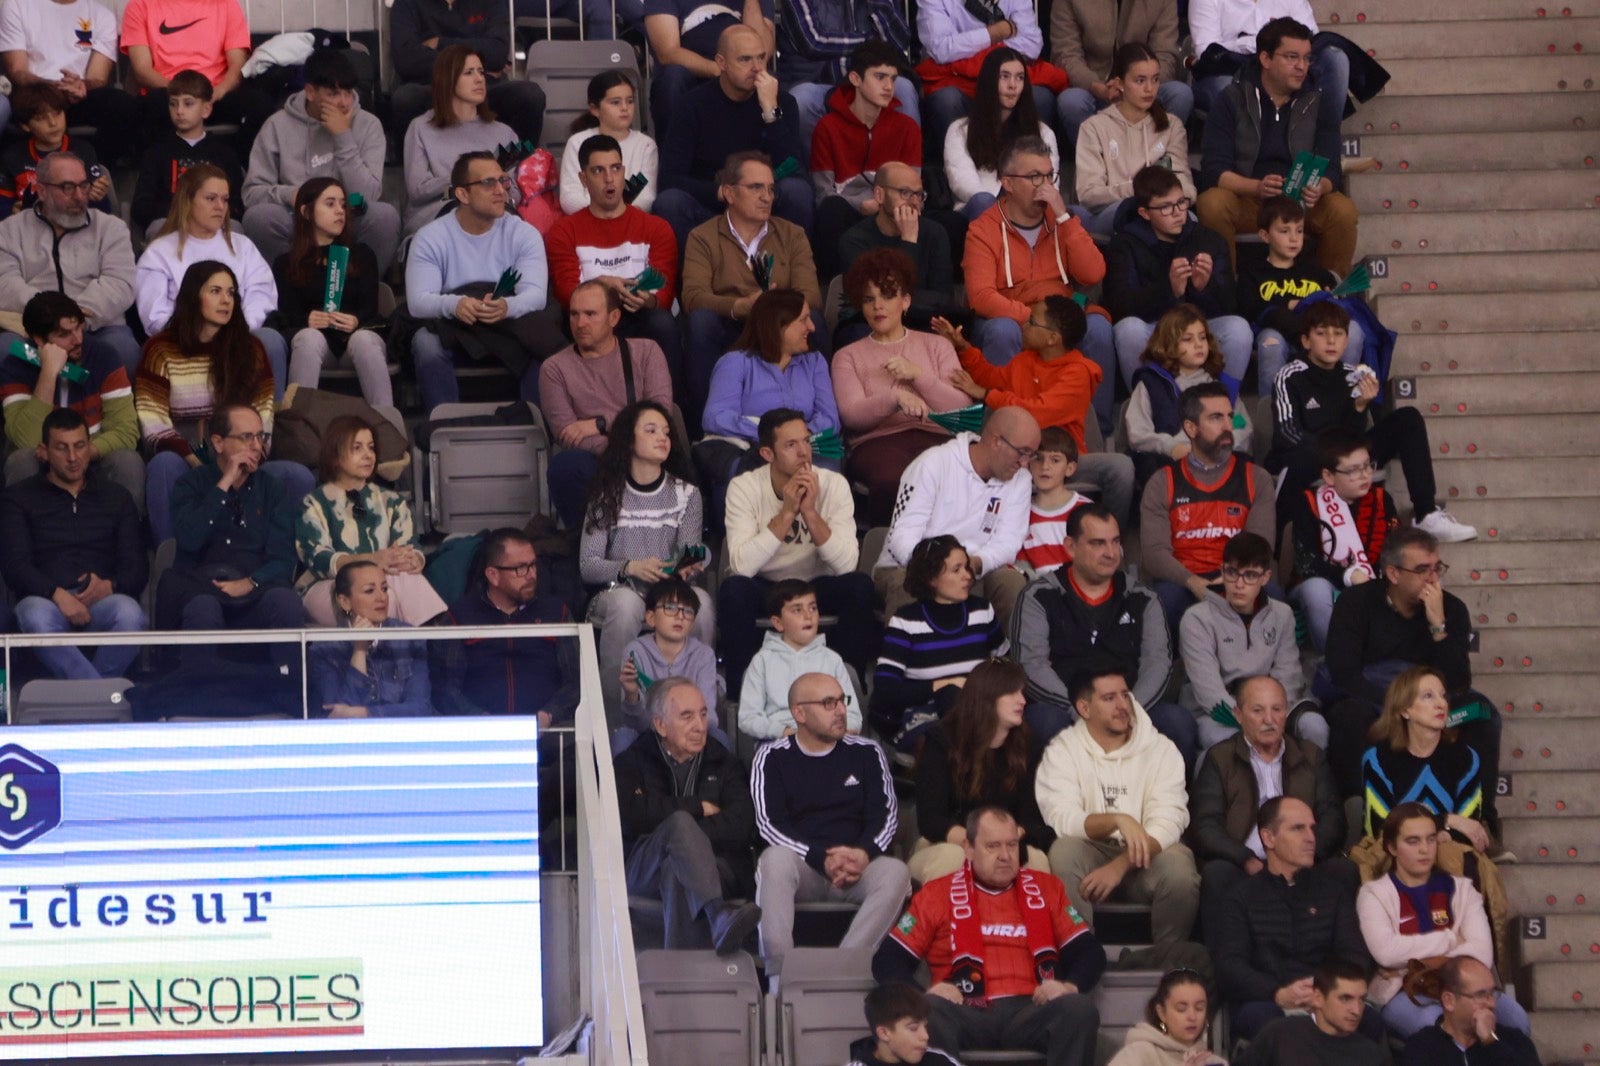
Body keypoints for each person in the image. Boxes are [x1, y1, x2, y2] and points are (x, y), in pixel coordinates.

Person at [873, 805, 1103, 1066]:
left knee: (1079, 1009)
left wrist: (1068, 986)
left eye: (1012, 845)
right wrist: (925, 993)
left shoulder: (1047, 888)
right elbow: (887, 960)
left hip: (1031, 1008)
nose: (1005, 855)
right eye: (993, 846)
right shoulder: (935, 894)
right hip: (964, 1009)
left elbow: (1089, 951)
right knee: (929, 1010)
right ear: (969, 849)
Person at [1323, 527, 1500, 814]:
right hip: (1376, 703)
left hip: (1432, 702)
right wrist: (1402, 706)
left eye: (1436, 568)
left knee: (1481, 712)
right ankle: (1360, 816)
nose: (1433, 578)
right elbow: (1343, 674)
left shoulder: (1452, 609)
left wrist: (1438, 627)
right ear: (1393, 574)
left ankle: (1481, 817)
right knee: (1348, 716)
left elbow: (1458, 682)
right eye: (1421, 570)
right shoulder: (1356, 603)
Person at [136, 260, 313, 544]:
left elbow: (264, 418)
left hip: (243, 459)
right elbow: (152, 420)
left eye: (231, 293)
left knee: (298, 476)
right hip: (186, 460)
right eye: (215, 291)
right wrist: (195, 460)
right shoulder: (160, 349)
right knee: (163, 465)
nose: (226, 300)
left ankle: (281, 563)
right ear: (194, 296)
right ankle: (170, 558)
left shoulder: (252, 349)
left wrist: (242, 462)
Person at [1269, 300, 1477, 541]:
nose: (1331, 341)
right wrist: (1336, 456)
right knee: (1299, 456)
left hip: (1348, 452)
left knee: (1408, 418)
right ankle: (1279, 541)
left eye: (1338, 334)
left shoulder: (1353, 375)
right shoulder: (1289, 376)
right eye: (1321, 333)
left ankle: (1426, 514)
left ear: (1347, 341)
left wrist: (1360, 406)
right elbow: (1287, 433)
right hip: (1309, 457)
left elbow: (1355, 435)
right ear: (1306, 341)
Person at [1035, 667, 1202, 967]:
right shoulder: (1062, 751)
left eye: (1125, 695)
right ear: (1084, 708)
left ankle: (1168, 964)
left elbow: (1169, 822)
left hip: (1148, 856)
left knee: (1179, 867)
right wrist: (1117, 820)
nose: (1123, 705)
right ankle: (1081, 957)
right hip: (1091, 852)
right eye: (1109, 698)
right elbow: (1062, 818)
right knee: (1063, 852)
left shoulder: (1162, 750)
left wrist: (1120, 865)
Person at [752, 671, 910, 973]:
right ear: (799, 713)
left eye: (841, 700)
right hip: (804, 869)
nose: (840, 710)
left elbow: (886, 816)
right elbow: (769, 825)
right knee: (774, 861)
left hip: (856, 867)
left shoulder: (867, 752)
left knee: (896, 872)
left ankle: (843, 971)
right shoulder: (771, 757)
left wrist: (863, 853)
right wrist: (820, 858)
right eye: (828, 703)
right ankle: (780, 979)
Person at [962, 136, 1115, 435]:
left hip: (1059, 312)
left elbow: (1093, 274)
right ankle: (1004, 431)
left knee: (1098, 328)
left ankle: (1095, 434)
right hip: (1010, 316)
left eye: (1049, 176)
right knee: (1002, 330)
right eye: (1034, 177)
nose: (1045, 186)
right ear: (1008, 183)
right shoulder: (983, 229)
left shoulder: (1062, 221)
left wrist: (1064, 217)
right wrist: (1033, 321)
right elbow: (981, 297)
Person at [935, 299, 1134, 525]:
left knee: (1121, 468)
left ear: (1052, 338)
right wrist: (963, 348)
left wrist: (987, 394)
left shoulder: (1079, 372)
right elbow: (992, 378)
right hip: (1018, 458)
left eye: (1031, 321)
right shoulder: (1025, 359)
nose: (1024, 325)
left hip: (1066, 461)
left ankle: (1108, 537)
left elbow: (1038, 413)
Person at [1011, 504, 1190, 755]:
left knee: (1177, 723)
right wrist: (1081, 711)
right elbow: (1031, 665)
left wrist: (1128, 710)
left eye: (1115, 542)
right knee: (1043, 721)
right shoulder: (1038, 596)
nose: (1111, 553)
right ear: (1071, 547)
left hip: (1130, 707)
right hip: (1065, 710)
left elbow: (1157, 663)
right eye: (1098, 543)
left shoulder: (1143, 598)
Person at [579, 400, 715, 730]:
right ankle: (615, 724)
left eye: (666, 432)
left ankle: (697, 714)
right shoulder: (606, 494)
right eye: (651, 431)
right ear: (629, 440)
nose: (662, 438)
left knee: (703, 604)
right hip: (619, 590)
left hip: (669, 590)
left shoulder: (686, 493)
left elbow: (693, 550)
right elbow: (588, 564)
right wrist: (629, 567)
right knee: (626, 605)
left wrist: (687, 563)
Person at [719, 407, 874, 693]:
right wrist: (787, 514)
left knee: (860, 586)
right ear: (768, 454)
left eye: (806, 441)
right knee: (733, 590)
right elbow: (741, 566)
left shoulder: (833, 485)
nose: (804, 452)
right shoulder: (744, 487)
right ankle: (741, 694)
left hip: (817, 584)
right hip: (766, 585)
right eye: (791, 445)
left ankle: (848, 689)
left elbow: (847, 565)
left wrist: (810, 513)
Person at [1189, 675, 1348, 950]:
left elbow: (1333, 817)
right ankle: (1225, 967)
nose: (1269, 720)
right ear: (1239, 715)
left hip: (1303, 862)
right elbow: (1205, 826)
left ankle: (1337, 969)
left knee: (1343, 870)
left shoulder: (1311, 756)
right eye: (1257, 710)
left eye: (1277, 709)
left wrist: (1305, 857)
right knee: (1217, 874)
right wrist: (1245, 859)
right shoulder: (1220, 758)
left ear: (1287, 712)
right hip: (1245, 864)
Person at [404, 150, 563, 415]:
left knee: (542, 338)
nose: (501, 190)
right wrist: (456, 305)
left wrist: (507, 307)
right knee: (425, 343)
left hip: (508, 323)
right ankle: (444, 425)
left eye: (503, 181)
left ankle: (533, 425)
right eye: (489, 183)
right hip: (455, 325)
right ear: (462, 194)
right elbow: (418, 302)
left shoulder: (524, 234)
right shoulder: (430, 237)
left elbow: (535, 296)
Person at [1196, 17, 1358, 277]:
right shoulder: (1232, 98)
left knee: (1342, 210)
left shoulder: (1318, 101)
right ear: (1265, 59)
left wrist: (1320, 187)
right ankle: (1225, 289)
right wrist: (1256, 187)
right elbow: (1214, 171)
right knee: (1212, 204)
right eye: (1292, 57)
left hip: (1300, 201)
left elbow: (1332, 171)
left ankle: (1329, 293)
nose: (1301, 66)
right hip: (1248, 198)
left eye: (1307, 58)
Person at [1213, 796, 1380, 1042]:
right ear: (1268, 838)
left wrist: (1325, 990)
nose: (1311, 837)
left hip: (1327, 996)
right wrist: (1278, 993)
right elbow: (1230, 967)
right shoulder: (1240, 897)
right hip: (1269, 1001)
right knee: (1271, 1024)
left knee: (1369, 1020)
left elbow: (1355, 955)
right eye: (1298, 828)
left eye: (1312, 828)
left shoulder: (1333, 892)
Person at [614, 676, 762, 953]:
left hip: (719, 866)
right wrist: (697, 808)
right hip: (644, 867)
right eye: (687, 716)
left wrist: (682, 842)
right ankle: (717, 913)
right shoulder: (632, 761)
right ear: (660, 725)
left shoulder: (725, 763)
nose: (700, 726)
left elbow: (740, 825)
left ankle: (681, 973)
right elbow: (631, 815)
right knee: (681, 823)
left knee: (677, 868)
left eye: (703, 714)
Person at [1358, 804, 1530, 1039]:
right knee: (1437, 1024)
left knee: (1516, 1018)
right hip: (1405, 993)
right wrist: (1450, 940)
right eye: (1413, 841)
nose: (1424, 849)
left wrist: (1415, 957)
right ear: (1392, 847)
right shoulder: (1374, 894)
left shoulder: (1462, 890)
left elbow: (1481, 954)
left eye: (1430, 839)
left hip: (1467, 989)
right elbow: (1386, 953)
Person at [679, 150, 822, 428]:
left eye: (771, 189)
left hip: (781, 325)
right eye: (756, 187)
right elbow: (693, 297)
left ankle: (818, 424)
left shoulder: (792, 234)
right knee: (700, 322)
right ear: (729, 193)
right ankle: (704, 428)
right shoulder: (702, 236)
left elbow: (811, 294)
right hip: (730, 324)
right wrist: (739, 306)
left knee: (814, 319)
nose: (767, 197)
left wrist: (774, 309)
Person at [0, 408, 146, 680]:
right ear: (43, 451)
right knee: (36, 617)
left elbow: (137, 567)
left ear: (90, 447)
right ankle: (97, 697)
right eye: (61, 448)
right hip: (45, 601)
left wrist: (109, 586)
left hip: (102, 601)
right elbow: (14, 566)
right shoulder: (19, 498)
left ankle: (84, 697)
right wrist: (56, 594)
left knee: (130, 615)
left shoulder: (116, 497)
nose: (72, 457)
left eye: (79, 446)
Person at [159, 403, 307, 660]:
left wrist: (250, 582)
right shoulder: (190, 484)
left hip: (254, 592)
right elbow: (189, 539)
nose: (257, 446)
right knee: (203, 608)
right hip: (200, 588)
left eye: (260, 436)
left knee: (286, 602)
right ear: (218, 443)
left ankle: (288, 682)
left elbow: (283, 558)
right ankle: (197, 685)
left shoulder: (272, 490)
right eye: (246, 437)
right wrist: (225, 483)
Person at [830, 248, 967, 525]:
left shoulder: (937, 345)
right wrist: (895, 397)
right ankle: (889, 549)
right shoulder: (847, 356)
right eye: (869, 299)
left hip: (937, 438)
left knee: (955, 475)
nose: (878, 306)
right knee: (893, 478)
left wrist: (918, 376)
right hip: (878, 443)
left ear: (906, 301)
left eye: (887, 296)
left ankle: (948, 547)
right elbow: (852, 415)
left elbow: (960, 409)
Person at [873, 406, 1038, 629]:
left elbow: (1008, 543)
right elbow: (901, 537)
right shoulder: (933, 463)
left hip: (974, 570)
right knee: (907, 585)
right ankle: (903, 651)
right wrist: (938, 571)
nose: (1025, 463)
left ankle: (1006, 653)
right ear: (997, 441)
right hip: (910, 566)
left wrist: (974, 564)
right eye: (1022, 452)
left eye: (1031, 455)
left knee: (1011, 583)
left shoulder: (1021, 480)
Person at [544, 135, 682, 399]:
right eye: (598, 171)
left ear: (624, 172)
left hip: (638, 314)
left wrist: (649, 300)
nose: (610, 179)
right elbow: (565, 291)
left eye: (615, 169)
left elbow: (664, 292)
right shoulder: (564, 231)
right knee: (569, 321)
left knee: (662, 323)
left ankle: (671, 410)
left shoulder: (656, 228)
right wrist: (603, 286)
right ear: (583, 179)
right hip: (589, 315)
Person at [134, 165, 288, 397]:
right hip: (183, 340)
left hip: (238, 337)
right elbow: (154, 315)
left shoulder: (243, 246)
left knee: (271, 340)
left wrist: (233, 331)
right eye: (211, 198)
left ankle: (274, 417)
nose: (220, 207)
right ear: (188, 201)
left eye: (225, 200)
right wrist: (200, 334)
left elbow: (262, 295)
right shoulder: (159, 251)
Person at [655, 25, 810, 251]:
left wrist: (770, 111)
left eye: (761, 58)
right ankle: (692, 273)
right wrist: (723, 192)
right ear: (721, 63)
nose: (757, 68)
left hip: (765, 202)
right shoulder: (691, 105)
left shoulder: (782, 102)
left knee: (797, 191)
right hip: (713, 205)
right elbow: (670, 178)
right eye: (745, 59)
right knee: (670, 202)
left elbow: (793, 167)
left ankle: (790, 270)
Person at [241, 50, 398, 273]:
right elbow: (251, 194)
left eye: (348, 92)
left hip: (347, 214)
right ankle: (290, 286)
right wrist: (291, 194)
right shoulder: (276, 125)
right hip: (297, 216)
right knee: (259, 218)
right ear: (310, 92)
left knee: (385, 216)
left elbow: (369, 194)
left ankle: (360, 287)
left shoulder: (368, 125)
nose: (344, 102)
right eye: (334, 94)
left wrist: (343, 137)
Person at [1138, 382, 1276, 632]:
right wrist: (1193, 582)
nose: (1227, 426)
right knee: (1163, 601)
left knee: (1273, 596)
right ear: (1191, 428)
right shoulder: (1162, 482)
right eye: (1216, 418)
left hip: (1239, 575)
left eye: (1229, 417)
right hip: (1182, 580)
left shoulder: (1257, 478)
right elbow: (1154, 554)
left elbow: (1260, 544)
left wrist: (1232, 580)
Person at [538, 280, 674, 530]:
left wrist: (600, 423)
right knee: (566, 466)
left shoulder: (646, 351)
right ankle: (587, 545)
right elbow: (568, 434)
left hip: (648, 454)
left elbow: (660, 413)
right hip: (598, 460)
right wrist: (620, 453)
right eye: (574, 314)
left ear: (614, 318)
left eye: (590, 314)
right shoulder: (554, 368)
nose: (580, 323)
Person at [697, 288, 840, 520]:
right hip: (752, 448)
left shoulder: (814, 362)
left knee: (827, 472)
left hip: (807, 445)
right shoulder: (736, 362)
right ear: (778, 325)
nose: (812, 327)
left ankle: (812, 538)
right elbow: (715, 416)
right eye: (803, 319)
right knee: (743, 479)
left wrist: (796, 438)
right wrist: (771, 435)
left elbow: (830, 419)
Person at [1106, 166, 1251, 389]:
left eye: (1181, 202)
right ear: (1144, 213)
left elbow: (1231, 305)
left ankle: (1223, 401)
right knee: (1128, 330)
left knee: (1238, 328)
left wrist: (1203, 288)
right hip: (1153, 326)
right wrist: (1169, 289)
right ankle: (1147, 400)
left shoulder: (1209, 240)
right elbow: (1120, 306)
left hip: (1197, 328)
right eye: (1165, 207)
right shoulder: (1124, 244)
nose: (1177, 213)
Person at [911, 658, 1054, 884]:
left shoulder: (1029, 745)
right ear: (987, 697)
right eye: (1012, 693)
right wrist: (980, 845)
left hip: (1008, 843)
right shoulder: (942, 741)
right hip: (946, 842)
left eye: (1022, 692)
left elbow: (1031, 820)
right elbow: (931, 820)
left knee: (1035, 860)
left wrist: (1002, 844)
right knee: (951, 858)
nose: (1022, 700)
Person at [296, 415, 445, 628]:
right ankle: (431, 635)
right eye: (357, 448)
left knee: (399, 579)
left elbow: (409, 546)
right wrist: (372, 559)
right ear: (335, 455)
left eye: (371, 447)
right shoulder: (314, 503)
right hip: (329, 585)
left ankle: (427, 636)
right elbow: (318, 559)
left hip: (383, 582)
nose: (368, 455)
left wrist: (414, 560)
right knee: (378, 591)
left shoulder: (392, 501)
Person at [1179, 532, 1323, 752]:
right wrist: (1253, 721)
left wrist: (1270, 716)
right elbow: (1209, 691)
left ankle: (1304, 775)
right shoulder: (1196, 618)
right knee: (1227, 743)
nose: (1239, 584)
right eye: (1232, 572)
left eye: (1250, 575)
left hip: (1273, 707)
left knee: (1315, 727)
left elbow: (1289, 676)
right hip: (1220, 713)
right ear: (1222, 570)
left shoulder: (1282, 614)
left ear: (1265, 577)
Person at [0, 151, 140, 375]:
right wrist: (49, 317)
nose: (79, 196)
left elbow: (120, 283)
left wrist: (73, 321)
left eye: (83, 186)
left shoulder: (111, 228)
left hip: (95, 327)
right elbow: (5, 283)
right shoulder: (10, 230)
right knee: (5, 348)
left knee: (124, 349)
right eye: (67, 187)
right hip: (33, 331)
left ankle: (88, 391)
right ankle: (42, 397)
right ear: (42, 191)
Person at [0, 291, 141, 501]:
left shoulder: (104, 356)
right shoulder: (16, 366)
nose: (78, 340)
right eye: (64, 334)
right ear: (39, 340)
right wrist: (48, 373)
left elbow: (126, 432)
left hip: (93, 457)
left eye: (79, 328)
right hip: (43, 463)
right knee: (22, 460)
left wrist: (81, 454)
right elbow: (26, 441)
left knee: (127, 461)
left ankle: (127, 523)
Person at [871, 535, 1007, 749]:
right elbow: (885, 691)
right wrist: (943, 685)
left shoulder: (982, 610)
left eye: (966, 567)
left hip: (979, 712)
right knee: (950, 706)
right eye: (956, 570)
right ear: (931, 579)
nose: (967, 576)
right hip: (922, 717)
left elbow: (1004, 666)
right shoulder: (906, 620)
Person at [432, 528, 579, 720]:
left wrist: (550, 714)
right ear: (493, 575)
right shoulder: (460, 617)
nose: (531, 575)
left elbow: (577, 681)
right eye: (520, 568)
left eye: (533, 565)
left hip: (552, 732)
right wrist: (480, 719)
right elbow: (445, 688)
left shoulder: (556, 613)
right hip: (478, 732)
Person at [808, 40, 922, 282]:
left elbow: (913, 189)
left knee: (948, 224)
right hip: (848, 214)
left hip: (893, 212)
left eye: (893, 79)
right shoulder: (828, 127)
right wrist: (862, 205)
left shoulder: (907, 127)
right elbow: (823, 193)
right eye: (880, 77)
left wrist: (884, 205)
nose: (889, 86)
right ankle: (836, 289)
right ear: (855, 79)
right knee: (831, 210)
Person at [270, 178, 389, 407]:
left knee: (364, 339)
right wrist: (307, 320)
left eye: (343, 205)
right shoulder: (286, 263)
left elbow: (370, 309)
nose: (340, 211)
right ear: (306, 212)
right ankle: (298, 423)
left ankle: (387, 421)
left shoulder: (362, 255)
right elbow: (284, 315)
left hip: (355, 341)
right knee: (308, 337)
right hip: (316, 345)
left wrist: (356, 321)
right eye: (330, 203)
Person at [1237, 195, 1362, 393]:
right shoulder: (1253, 271)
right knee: (1271, 340)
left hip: (1318, 333)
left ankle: (1344, 397)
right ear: (1265, 235)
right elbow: (1249, 307)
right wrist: (1289, 304)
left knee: (1353, 329)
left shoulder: (1314, 271)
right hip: (1279, 332)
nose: (1294, 238)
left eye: (1299, 230)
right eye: (1284, 231)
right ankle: (1271, 408)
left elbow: (1333, 299)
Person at [1287, 427, 1398, 652]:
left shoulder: (1381, 499)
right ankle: (1335, 657)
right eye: (1353, 471)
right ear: (1329, 476)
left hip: (1372, 579)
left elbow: (1394, 547)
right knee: (1315, 590)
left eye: (1367, 466)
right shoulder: (1308, 503)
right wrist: (1348, 575)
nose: (1365, 475)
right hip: (1326, 580)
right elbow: (1307, 562)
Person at [1124, 305, 1252, 493]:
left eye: (1202, 337)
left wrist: (1221, 447)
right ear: (1167, 344)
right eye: (1188, 339)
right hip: (1172, 458)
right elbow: (1138, 434)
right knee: (1149, 464)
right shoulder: (1151, 383)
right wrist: (1171, 447)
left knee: (1245, 465)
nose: (1199, 345)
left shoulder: (1223, 386)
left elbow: (1241, 425)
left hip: (1218, 457)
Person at [1361, 666, 1491, 851]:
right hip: (1393, 862)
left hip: (1452, 858)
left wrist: (1434, 834)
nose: (1441, 704)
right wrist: (1446, 821)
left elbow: (1470, 831)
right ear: (1405, 710)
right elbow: (1382, 831)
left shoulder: (1466, 758)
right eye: (1428, 696)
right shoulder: (1377, 759)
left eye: (1443, 696)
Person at [1073, 44, 1194, 240]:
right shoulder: (1093, 127)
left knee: (1189, 219)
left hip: (1162, 209)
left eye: (1155, 79)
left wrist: (1161, 202)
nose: (1149, 89)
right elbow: (1089, 194)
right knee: (1131, 213)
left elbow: (1185, 186)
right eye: (1140, 80)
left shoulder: (1172, 126)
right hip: (1113, 211)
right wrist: (1142, 191)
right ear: (1119, 83)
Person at [120, 0, 277, 152]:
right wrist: (184, 94)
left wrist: (219, 91)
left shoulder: (226, 4)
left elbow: (238, 65)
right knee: (153, 105)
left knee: (260, 105)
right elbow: (142, 70)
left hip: (215, 95)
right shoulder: (140, 5)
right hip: (169, 95)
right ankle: (166, 167)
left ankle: (234, 164)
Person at [388, 0, 545, 147]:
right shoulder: (406, 4)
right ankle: (421, 164)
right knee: (405, 99)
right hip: (433, 86)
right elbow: (407, 60)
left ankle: (512, 161)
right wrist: (473, 64)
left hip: (484, 87)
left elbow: (497, 53)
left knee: (530, 96)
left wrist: (440, 43)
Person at [0, 0, 141, 163]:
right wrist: (54, 88)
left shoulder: (102, 15)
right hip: (34, 93)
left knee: (122, 105)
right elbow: (17, 72)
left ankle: (94, 168)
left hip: (77, 95)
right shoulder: (17, 5)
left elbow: (97, 78)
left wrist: (82, 85)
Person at [400, 47, 519, 240]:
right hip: (438, 213)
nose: (479, 79)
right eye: (469, 72)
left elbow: (514, 191)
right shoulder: (420, 128)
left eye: (481, 72)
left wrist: (498, 189)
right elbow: (418, 191)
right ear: (447, 79)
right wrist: (470, 179)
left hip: (493, 215)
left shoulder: (504, 133)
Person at [1190, 0, 1350, 139]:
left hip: (1284, 68)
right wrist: (1262, 43)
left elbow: (1310, 40)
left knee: (1334, 58)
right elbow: (1207, 51)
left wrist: (1255, 44)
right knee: (1226, 88)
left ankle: (1324, 146)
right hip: (1229, 71)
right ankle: (1258, 156)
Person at [836, 165, 957, 348]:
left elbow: (943, 298)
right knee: (859, 336)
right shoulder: (854, 240)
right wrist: (908, 241)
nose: (914, 202)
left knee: (943, 337)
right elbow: (874, 299)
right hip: (869, 323)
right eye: (905, 193)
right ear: (879, 195)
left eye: (919, 195)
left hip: (922, 322)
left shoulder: (935, 233)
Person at [915, 0, 1059, 154]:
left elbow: (1032, 45)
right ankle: (958, 161)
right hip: (956, 78)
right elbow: (942, 48)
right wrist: (996, 33)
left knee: (1040, 97)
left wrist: (972, 49)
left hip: (1004, 73)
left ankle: (1026, 161)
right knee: (947, 100)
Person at [779, 1, 916, 154]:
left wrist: (879, 4)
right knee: (801, 101)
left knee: (903, 89)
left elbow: (900, 42)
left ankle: (906, 167)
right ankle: (816, 167)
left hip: (870, 80)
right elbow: (814, 43)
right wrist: (869, 44)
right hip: (817, 82)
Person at [944, 48, 1059, 221]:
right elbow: (962, 182)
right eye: (1004, 76)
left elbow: (1050, 184)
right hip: (980, 211)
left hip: (1027, 208)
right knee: (983, 201)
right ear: (989, 81)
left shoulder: (1043, 132)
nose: (1013, 85)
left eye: (1019, 77)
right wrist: (1003, 208)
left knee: (1074, 214)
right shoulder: (959, 130)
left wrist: (1020, 205)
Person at [1054, 8, 1192, 152]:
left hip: (1144, 83)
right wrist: (1098, 87)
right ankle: (1096, 156)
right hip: (1092, 87)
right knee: (1071, 101)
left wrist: (1142, 84)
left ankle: (1157, 154)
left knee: (1180, 94)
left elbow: (1166, 54)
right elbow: (1067, 55)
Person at [309, 560, 434, 717]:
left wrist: (365, 713)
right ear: (345, 602)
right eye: (369, 591)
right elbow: (337, 716)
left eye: (384, 589)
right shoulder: (324, 650)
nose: (382, 597)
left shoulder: (410, 638)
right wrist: (359, 651)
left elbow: (421, 708)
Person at [738, 579, 860, 741]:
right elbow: (748, 718)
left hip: (828, 738)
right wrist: (783, 731)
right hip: (781, 739)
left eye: (813, 608)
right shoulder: (762, 661)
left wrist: (845, 731)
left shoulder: (832, 659)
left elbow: (852, 714)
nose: (808, 616)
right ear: (778, 623)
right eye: (797, 610)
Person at [129, 69, 244, 238]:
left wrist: (209, 213)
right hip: (172, 222)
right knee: (158, 227)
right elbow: (141, 205)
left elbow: (236, 202)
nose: (179, 111)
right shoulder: (156, 153)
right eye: (173, 104)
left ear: (206, 109)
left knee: (235, 229)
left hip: (215, 224)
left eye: (188, 104)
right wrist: (183, 213)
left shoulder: (224, 153)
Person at [641, 0, 772, 140]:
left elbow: (764, 52)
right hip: (690, 76)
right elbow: (668, 53)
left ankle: (773, 142)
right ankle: (672, 149)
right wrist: (719, 70)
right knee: (673, 79)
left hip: (742, 74)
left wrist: (751, 2)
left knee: (770, 84)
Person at [618, 577, 723, 743]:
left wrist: (680, 729)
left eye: (687, 611)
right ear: (650, 617)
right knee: (623, 737)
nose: (680, 616)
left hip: (691, 735)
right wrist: (632, 695)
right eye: (670, 608)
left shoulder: (703, 655)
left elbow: (708, 716)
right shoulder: (636, 652)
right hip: (649, 735)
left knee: (719, 738)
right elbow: (635, 723)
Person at [1236, 959, 1386, 1066]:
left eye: (1361, 1000)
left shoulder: (1371, 1056)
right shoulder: (1280, 1034)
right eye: (1345, 999)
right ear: (1318, 998)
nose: (1356, 1010)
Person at [1400, 957, 1542, 1066]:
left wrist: (1490, 1041)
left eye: (1492, 993)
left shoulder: (1514, 1041)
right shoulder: (1421, 1047)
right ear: (1449, 1001)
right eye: (1480, 995)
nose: (1492, 1003)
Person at [0, 84, 113, 214]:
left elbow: (102, 212)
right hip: (28, 224)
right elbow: (3, 207)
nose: (53, 123)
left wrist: (98, 198)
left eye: (57, 114)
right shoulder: (12, 157)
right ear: (26, 126)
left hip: (75, 222)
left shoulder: (83, 151)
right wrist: (12, 212)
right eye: (41, 118)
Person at [558, 71, 659, 215]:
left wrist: (619, 214)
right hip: (588, 221)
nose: (625, 108)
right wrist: (601, 213)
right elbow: (570, 197)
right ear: (595, 109)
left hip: (630, 219)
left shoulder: (646, 146)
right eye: (616, 102)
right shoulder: (577, 143)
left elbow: (646, 196)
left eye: (630, 101)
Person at [1107, 968, 1225, 1066]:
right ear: (1162, 1013)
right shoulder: (1139, 1053)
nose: (1192, 1017)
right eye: (1181, 1009)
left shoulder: (1213, 1062)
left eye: (1199, 1008)